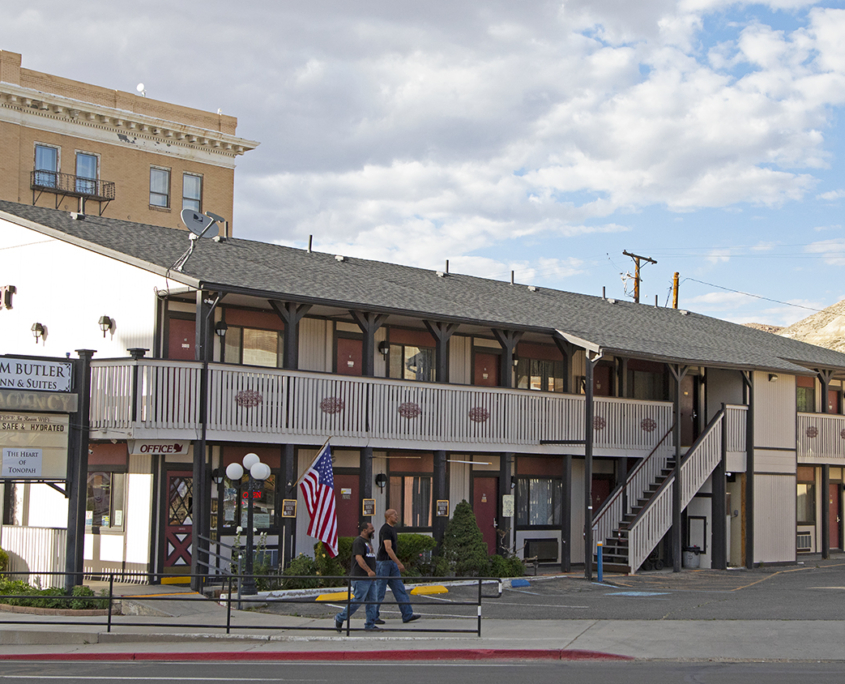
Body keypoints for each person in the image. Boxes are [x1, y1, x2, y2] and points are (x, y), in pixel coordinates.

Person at [374, 508, 420, 624]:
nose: (397, 517)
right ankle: (373, 616)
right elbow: (388, 548)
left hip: (391, 564)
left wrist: (395, 563)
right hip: (384, 563)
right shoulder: (385, 530)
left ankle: (407, 614)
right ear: (388, 517)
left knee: (399, 589)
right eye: (395, 515)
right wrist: (399, 563)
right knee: (379, 591)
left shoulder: (393, 529)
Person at [335, 521, 380, 632]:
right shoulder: (359, 542)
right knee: (358, 600)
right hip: (361, 577)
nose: (373, 530)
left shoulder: (368, 542)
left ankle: (370, 624)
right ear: (364, 530)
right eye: (371, 528)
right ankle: (340, 617)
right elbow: (359, 558)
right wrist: (369, 571)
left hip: (370, 578)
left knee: (372, 601)